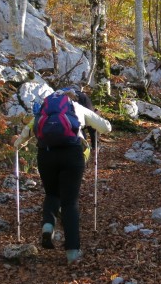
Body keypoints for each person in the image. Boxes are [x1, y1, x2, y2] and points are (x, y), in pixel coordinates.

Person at [13, 88, 112, 265]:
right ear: (71, 97)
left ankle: (48, 225)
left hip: (46, 155)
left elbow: (25, 135)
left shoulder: (43, 111)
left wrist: (17, 145)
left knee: (52, 194)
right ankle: (72, 252)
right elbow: (105, 128)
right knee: (69, 203)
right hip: (72, 155)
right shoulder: (76, 107)